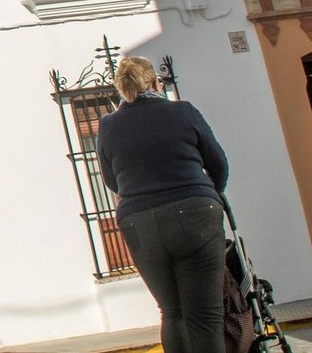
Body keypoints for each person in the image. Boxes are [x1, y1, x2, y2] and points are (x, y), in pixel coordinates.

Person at [98, 56, 230, 353]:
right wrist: (211, 194)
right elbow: (218, 163)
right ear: (156, 82)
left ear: (123, 89)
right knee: (205, 316)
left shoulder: (108, 125)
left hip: (139, 223)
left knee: (172, 313)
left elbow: (111, 181)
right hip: (196, 215)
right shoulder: (182, 112)